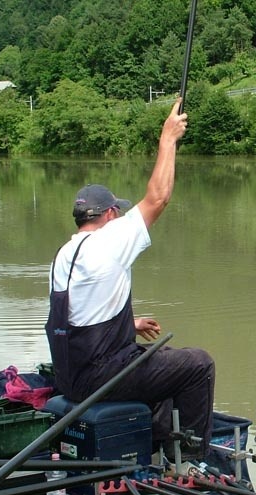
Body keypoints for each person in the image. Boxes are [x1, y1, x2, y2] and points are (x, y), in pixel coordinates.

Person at [45, 98, 214, 461]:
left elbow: (78, 314)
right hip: (99, 379)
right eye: (116, 211)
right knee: (198, 365)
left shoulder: (65, 254)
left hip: (69, 375)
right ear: (109, 213)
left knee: (163, 359)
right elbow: (159, 197)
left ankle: (152, 445)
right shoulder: (110, 239)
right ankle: (195, 461)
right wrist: (167, 139)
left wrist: (128, 325)